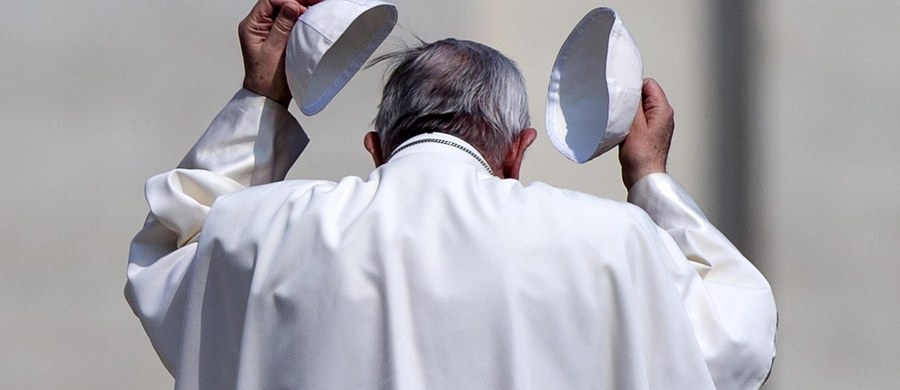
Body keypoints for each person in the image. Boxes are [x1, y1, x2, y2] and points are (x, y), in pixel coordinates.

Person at [126, 0, 777, 389]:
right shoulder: (610, 244)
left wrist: (263, 95)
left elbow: (171, 254)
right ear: (517, 155)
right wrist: (650, 179)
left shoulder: (264, 233)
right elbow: (738, 339)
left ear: (376, 147)